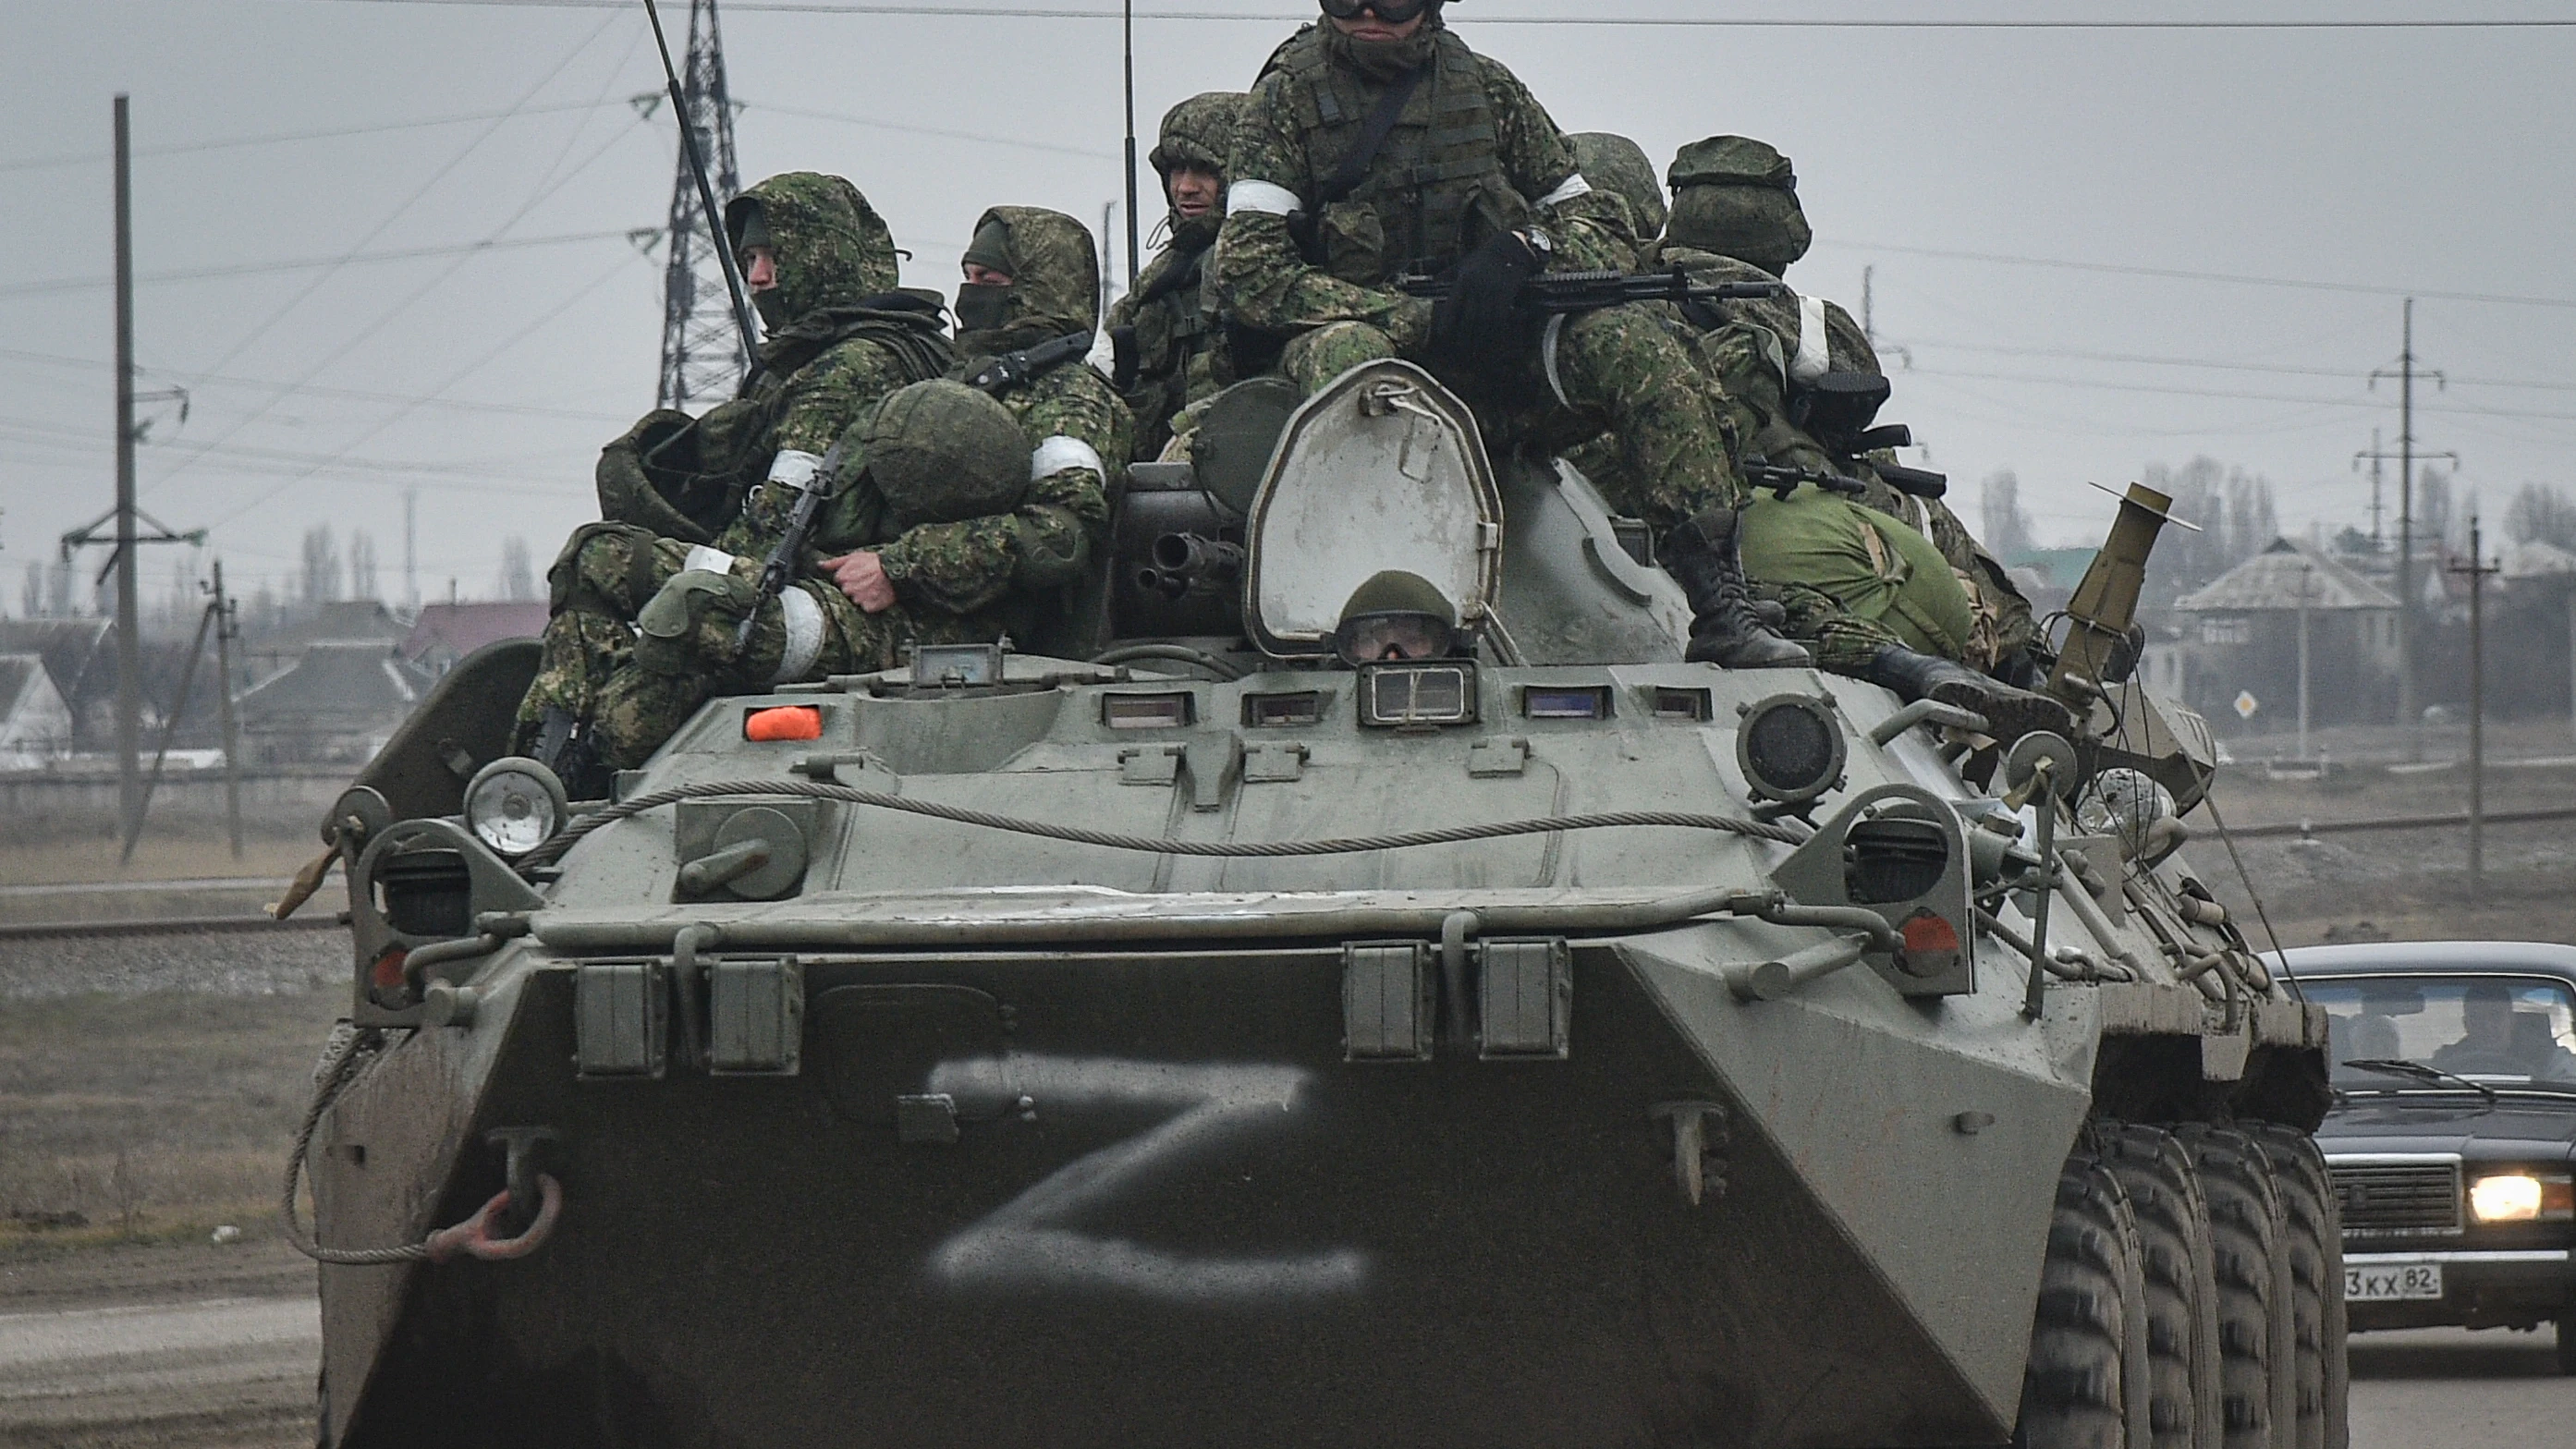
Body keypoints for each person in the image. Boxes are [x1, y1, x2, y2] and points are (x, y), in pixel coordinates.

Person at [1214, 0, 1805, 668]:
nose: (1370, 12)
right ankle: (1379, 614)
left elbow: (1603, 228)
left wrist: (1527, 250)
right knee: (1360, 363)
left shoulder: (1486, 90)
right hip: (1357, 340)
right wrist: (1413, 319)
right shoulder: (1284, 101)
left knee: (1635, 346)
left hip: (1497, 349)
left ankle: (1720, 606)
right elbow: (1250, 272)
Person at [577, 208, 1128, 773]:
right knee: (600, 556)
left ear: (1038, 287)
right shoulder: (959, 382)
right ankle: (544, 763)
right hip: (849, 588)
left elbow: (1058, 536)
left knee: (696, 609)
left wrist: (897, 565)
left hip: (952, 629)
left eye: (989, 281)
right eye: (967, 276)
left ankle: (588, 777)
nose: (970, 293)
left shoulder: (1070, 399)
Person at [509, 172, 953, 788]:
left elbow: (776, 524)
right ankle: (556, 767)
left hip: (835, 597)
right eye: (748, 259)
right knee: (622, 583)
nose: (758, 278)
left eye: (775, 256)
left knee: (602, 558)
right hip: (816, 586)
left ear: (820, 253)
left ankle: (553, 776)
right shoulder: (828, 360)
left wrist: (665, 574)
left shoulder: (849, 367)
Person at [1651, 136, 2068, 734]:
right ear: (1782, 228)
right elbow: (1856, 389)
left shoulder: (1624, 288)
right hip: (1783, 511)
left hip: (1674, 522)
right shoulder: (1803, 319)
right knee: (1920, 521)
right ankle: (2021, 669)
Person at [1104, 91, 1247, 461]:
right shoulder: (1159, 277)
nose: (1185, 187)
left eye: (1203, 171)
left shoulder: (1267, 265)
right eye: (1176, 171)